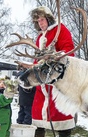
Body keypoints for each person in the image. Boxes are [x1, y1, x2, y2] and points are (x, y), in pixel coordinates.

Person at [27, 6, 76, 137]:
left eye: (42, 20)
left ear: (48, 19)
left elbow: (69, 50)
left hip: (57, 80)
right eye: (38, 21)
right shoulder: (39, 38)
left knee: (61, 114)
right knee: (38, 118)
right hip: (41, 83)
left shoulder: (60, 29)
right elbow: (37, 59)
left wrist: (54, 58)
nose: (40, 23)